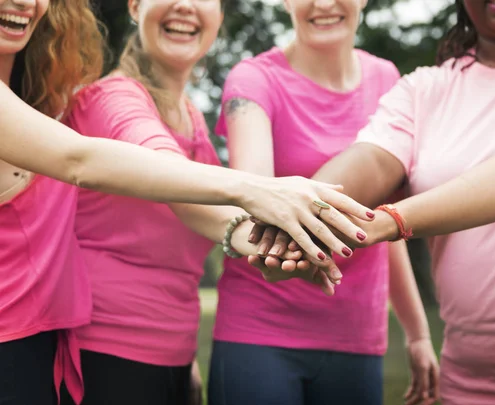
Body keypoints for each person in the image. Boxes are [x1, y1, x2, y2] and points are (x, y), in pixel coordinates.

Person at [0, 0, 372, 404]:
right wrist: (259, 192)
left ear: (220, 16)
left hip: (169, 353)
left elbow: (209, 217)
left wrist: (276, 245)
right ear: (135, 7)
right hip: (105, 352)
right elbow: (164, 176)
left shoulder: (191, 114)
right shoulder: (112, 99)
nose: (185, 5)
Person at [252, 1, 495, 403]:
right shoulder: (425, 89)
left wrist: (389, 220)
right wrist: (292, 224)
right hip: (468, 386)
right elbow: (370, 161)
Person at [208, 0, 439, 404]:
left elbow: (381, 221)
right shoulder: (254, 80)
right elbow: (256, 197)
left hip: (357, 335)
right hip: (259, 331)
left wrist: (417, 332)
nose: (324, 4)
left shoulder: (386, 78)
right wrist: (282, 255)